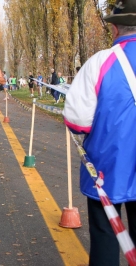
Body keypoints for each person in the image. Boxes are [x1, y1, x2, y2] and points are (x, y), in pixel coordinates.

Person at [63, 2, 136, 265]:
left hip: (108, 165)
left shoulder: (100, 62)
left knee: (106, 234)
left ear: (115, 28)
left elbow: (77, 121)